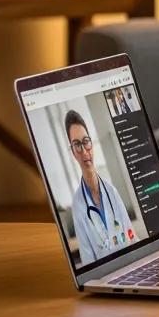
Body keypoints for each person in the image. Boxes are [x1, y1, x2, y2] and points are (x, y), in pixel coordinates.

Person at [65, 109, 139, 265]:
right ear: (73, 151)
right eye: (77, 145)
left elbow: (132, 238)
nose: (84, 151)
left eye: (86, 141)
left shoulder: (111, 191)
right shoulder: (78, 205)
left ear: (91, 143)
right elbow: (88, 261)